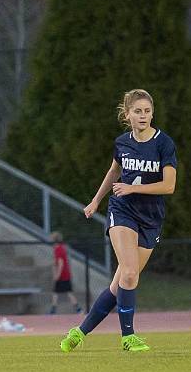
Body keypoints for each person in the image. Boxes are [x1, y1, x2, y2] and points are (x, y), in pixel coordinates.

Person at [59, 88, 177, 352]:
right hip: (122, 210)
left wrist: (133, 187)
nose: (143, 116)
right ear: (127, 115)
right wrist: (96, 201)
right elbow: (114, 171)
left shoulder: (163, 143)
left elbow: (169, 186)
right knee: (130, 271)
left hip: (151, 218)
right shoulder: (122, 142)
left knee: (121, 281)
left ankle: (79, 332)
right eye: (138, 111)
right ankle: (128, 337)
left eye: (147, 111)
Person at [49, 231, 82, 314]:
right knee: (58, 292)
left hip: (63, 275)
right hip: (64, 275)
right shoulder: (60, 248)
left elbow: (61, 263)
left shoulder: (58, 249)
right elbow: (56, 262)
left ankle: (78, 309)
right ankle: (77, 309)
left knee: (65, 292)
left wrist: (57, 275)